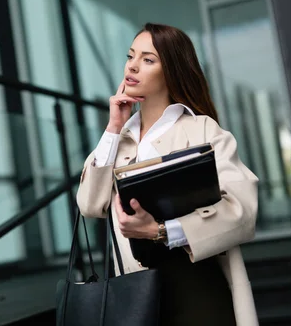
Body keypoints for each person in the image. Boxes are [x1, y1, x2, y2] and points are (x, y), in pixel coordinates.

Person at [76, 23, 259, 326]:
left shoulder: (202, 130)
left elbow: (242, 212)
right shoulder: (118, 140)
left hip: (195, 284)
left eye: (148, 60)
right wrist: (113, 128)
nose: (132, 66)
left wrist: (161, 230)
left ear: (171, 70)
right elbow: (89, 204)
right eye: (130, 55)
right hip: (136, 293)